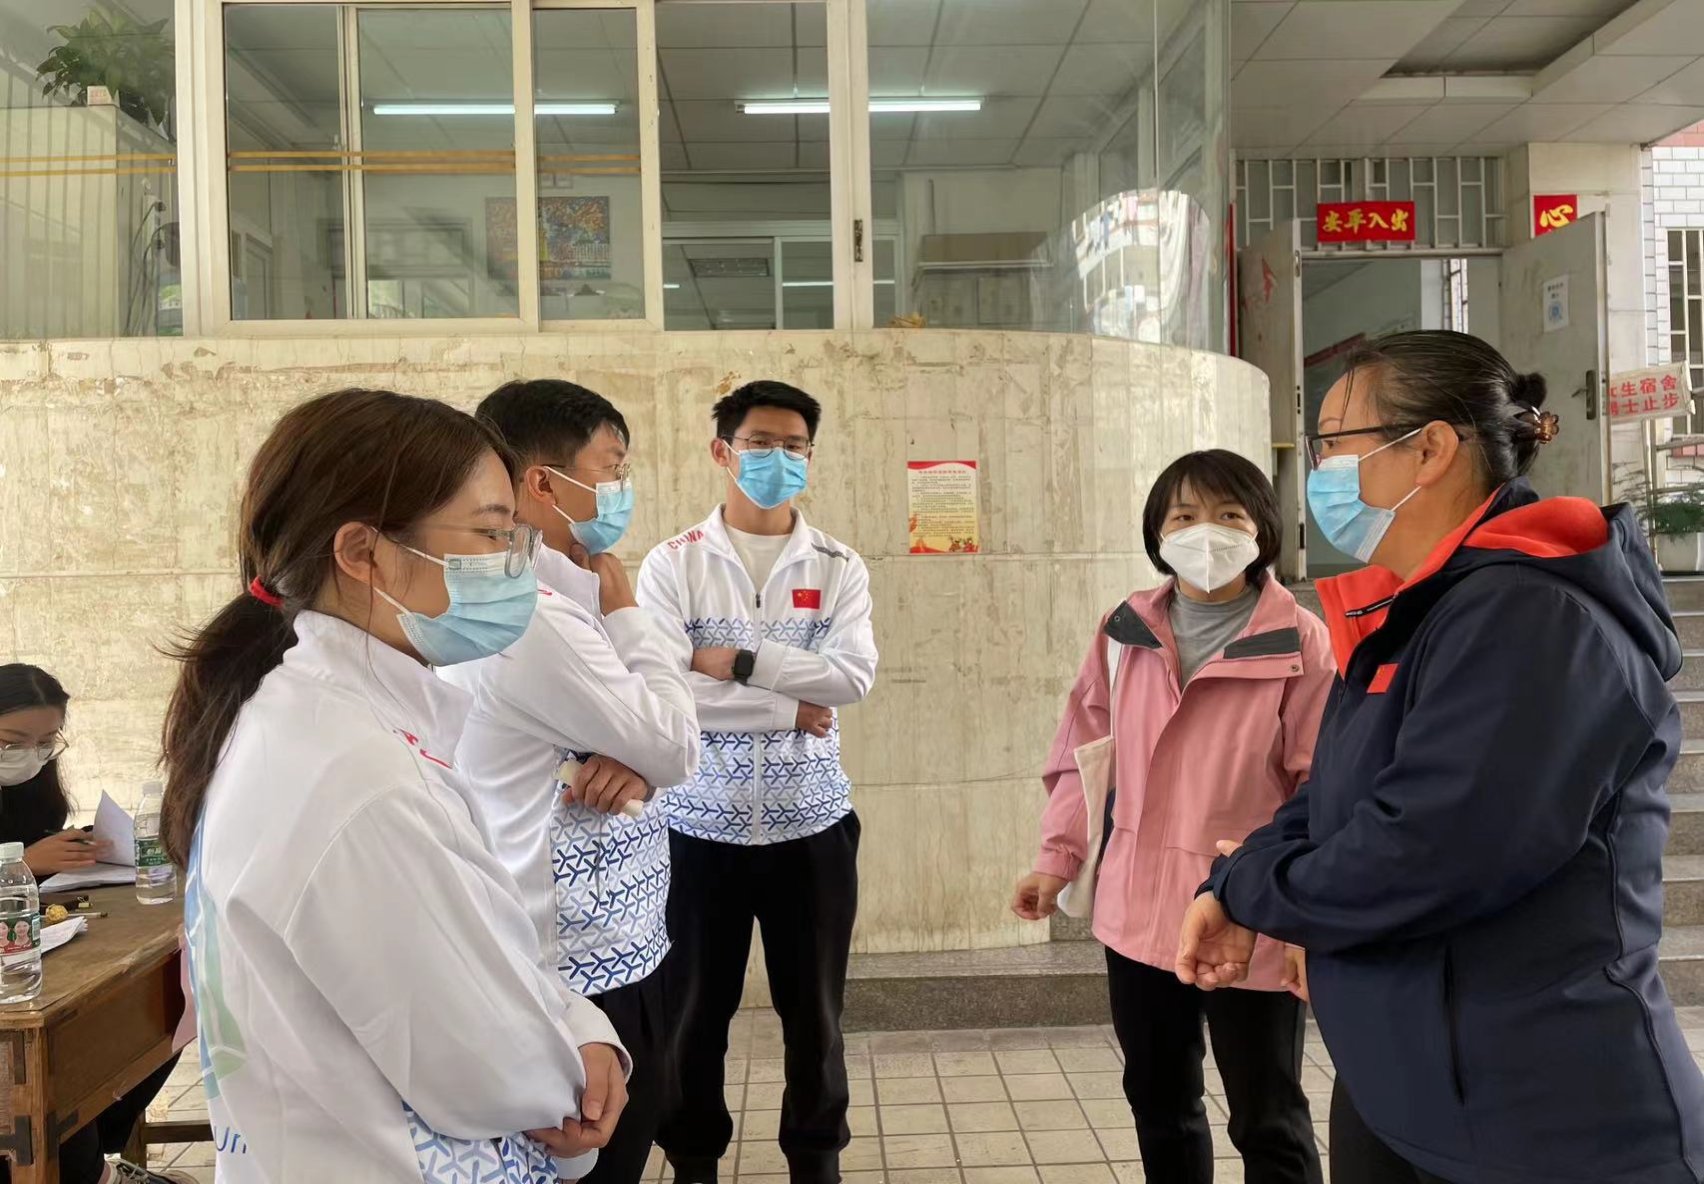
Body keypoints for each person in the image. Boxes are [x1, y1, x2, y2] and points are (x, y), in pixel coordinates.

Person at [1177, 330, 1704, 1184]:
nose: (1319, 470)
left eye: (1333, 440)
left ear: (1428, 450)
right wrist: (1242, 878)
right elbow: (1337, 796)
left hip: (1541, 1118)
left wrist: (1249, 887)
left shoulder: (1532, 619)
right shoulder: (1424, 610)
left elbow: (1425, 850)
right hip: (1413, 1083)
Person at [159, 388, 631, 1182]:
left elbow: (479, 947)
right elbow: (488, 1066)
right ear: (363, 552)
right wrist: (572, 1065)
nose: (517, 562)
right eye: (491, 533)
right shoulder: (358, 776)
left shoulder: (319, 714)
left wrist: (577, 1024)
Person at [1012, 451, 1328, 1184]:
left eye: (1229, 515)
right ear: (1158, 532)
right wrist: (1056, 859)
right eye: (1183, 516)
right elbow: (1084, 755)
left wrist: (1306, 915)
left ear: (1261, 529)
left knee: (1267, 1116)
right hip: (1137, 908)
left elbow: (1322, 785)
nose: (1205, 531)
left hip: (1250, 909)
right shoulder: (1124, 629)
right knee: (1159, 1103)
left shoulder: (1299, 639)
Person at [444, 378, 700, 1184]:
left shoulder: (556, 596)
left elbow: (652, 744)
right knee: (600, 1158)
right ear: (543, 483)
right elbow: (679, 743)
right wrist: (629, 613)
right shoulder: (538, 614)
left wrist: (637, 755)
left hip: (617, 942)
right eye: (611, 467)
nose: (622, 488)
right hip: (575, 963)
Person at [637, 380, 877, 1184]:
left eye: (794, 446)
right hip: (695, 829)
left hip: (813, 829)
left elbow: (851, 679)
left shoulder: (838, 565)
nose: (779, 458)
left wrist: (737, 662)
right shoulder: (673, 563)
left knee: (816, 1015)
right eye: (761, 443)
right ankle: (693, 1161)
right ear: (723, 451)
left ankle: (816, 1160)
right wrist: (786, 707)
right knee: (692, 1013)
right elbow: (662, 692)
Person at [0, 664, 191, 1184]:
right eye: (12, 742)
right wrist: (25, 863)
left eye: (46, 742)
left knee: (167, 1008)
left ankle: (99, 1152)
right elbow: (25, 859)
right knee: (55, 1067)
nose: (31, 756)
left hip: (38, 948)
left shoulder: (35, 783)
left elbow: (37, 845)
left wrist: (71, 848)